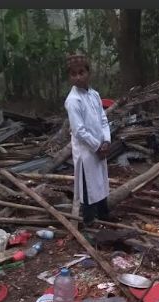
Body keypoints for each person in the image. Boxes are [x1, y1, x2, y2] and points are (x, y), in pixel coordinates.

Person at [64, 54, 112, 227]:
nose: (78, 77)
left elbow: (103, 119)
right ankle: (89, 223)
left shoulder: (94, 95)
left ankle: (105, 217)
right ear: (70, 77)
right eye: (74, 74)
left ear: (88, 73)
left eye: (81, 72)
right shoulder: (73, 100)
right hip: (86, 152)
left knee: (101, 184)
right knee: (88, 188)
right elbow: (79, 131)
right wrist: (97, 146)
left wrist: (106, 140)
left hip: (100, 148)